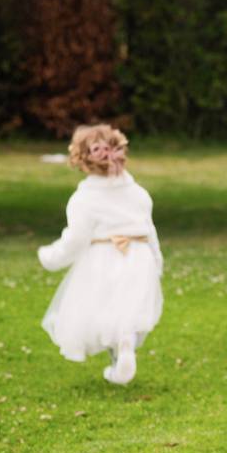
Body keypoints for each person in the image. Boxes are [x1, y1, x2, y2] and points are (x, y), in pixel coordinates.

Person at [38, 124, 163, 384]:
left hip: (102, 257)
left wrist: (51, 256)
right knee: (127, 311)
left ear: (81, 160)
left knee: (103, 309)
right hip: (140, 257)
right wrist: (157, 261)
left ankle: (119, 355)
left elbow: (76, 238)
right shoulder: (138, 192)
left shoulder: (85, 198)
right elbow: (149, 230)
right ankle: (125, 347)